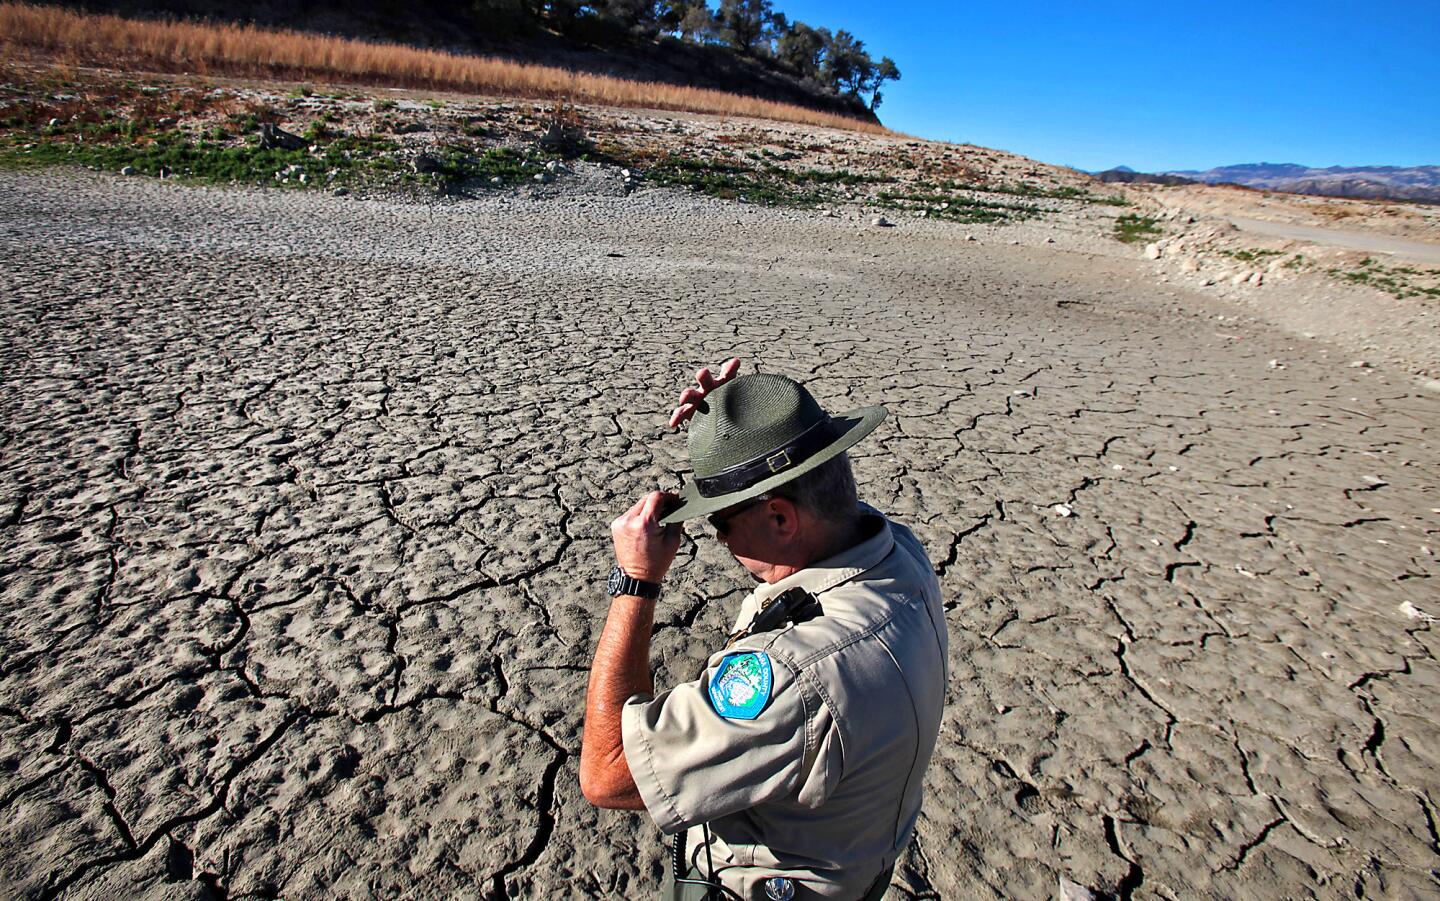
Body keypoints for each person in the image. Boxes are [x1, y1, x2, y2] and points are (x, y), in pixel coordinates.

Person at [580, 359, 948, 901]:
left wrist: (635, 582)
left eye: (720, 520)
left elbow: (606, 775)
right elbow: (821, 491)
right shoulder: (899, 552)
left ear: (780, 519)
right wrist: (729, 426)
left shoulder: (794, 677)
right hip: (859, 862)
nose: (721, 540)